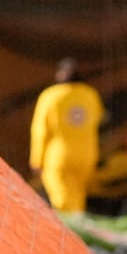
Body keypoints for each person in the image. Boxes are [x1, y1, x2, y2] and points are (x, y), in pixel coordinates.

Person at [29, 58, 103, 213]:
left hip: (60, 154)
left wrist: (37, 159)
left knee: (62, 199)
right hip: (87, 154)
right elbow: (98, 119)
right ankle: (78, 228)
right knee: (78, 197)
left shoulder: (51, 96)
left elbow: (40, 130)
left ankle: (70, 231)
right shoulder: (90, 95)